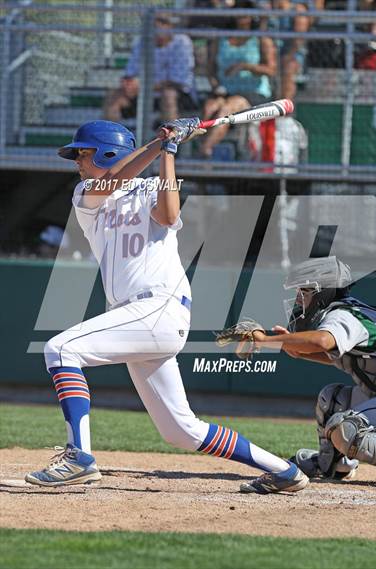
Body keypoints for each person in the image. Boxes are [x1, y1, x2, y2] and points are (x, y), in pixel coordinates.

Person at [24, 118, 308, 495]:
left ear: (108, 152)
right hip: (136, 317)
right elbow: (113, 182)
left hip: (158, 307)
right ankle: (284, 471)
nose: (77, 160)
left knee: (60, 349)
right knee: (180, 430)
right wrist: (161, 144)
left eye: (83, 153)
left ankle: (80, 457)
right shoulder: (87, 194)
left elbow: (169, 215)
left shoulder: (156, 186)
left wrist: (169, 151)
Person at [225, 256, 376, 491]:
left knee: (348, 429)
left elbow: (322, 341)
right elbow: (338, 354)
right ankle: (336, 466)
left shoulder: (345, 315)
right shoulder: (346, 310)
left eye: (304, 291)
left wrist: (266, 340)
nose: (299, 298)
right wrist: (295, 349)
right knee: (333, 399)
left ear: (322, 292)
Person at [200, 0, 277, 158]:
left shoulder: (261, 40)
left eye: (246, 13)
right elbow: (210, 70)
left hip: (253, 93)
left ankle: (204, 152)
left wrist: (246, 66)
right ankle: (191, 145)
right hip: (225, 91)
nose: (242, 16)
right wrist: (216, 88)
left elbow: (271, 70)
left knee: (227, 109)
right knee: (210, 108)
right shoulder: (220, 40)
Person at [104, 15, 197, 123]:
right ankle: (110, 137)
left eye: (161, 25)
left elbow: (179, 82)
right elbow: (130, 73)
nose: (155, 30)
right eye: (153, 26)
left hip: (179, 96)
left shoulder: (182, 42)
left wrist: (144, 86)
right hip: (144, 95)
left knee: (168, 95)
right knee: (113, 95)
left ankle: (173, 137)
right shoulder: (142, 42)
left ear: (170, 26)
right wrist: (128, 84)